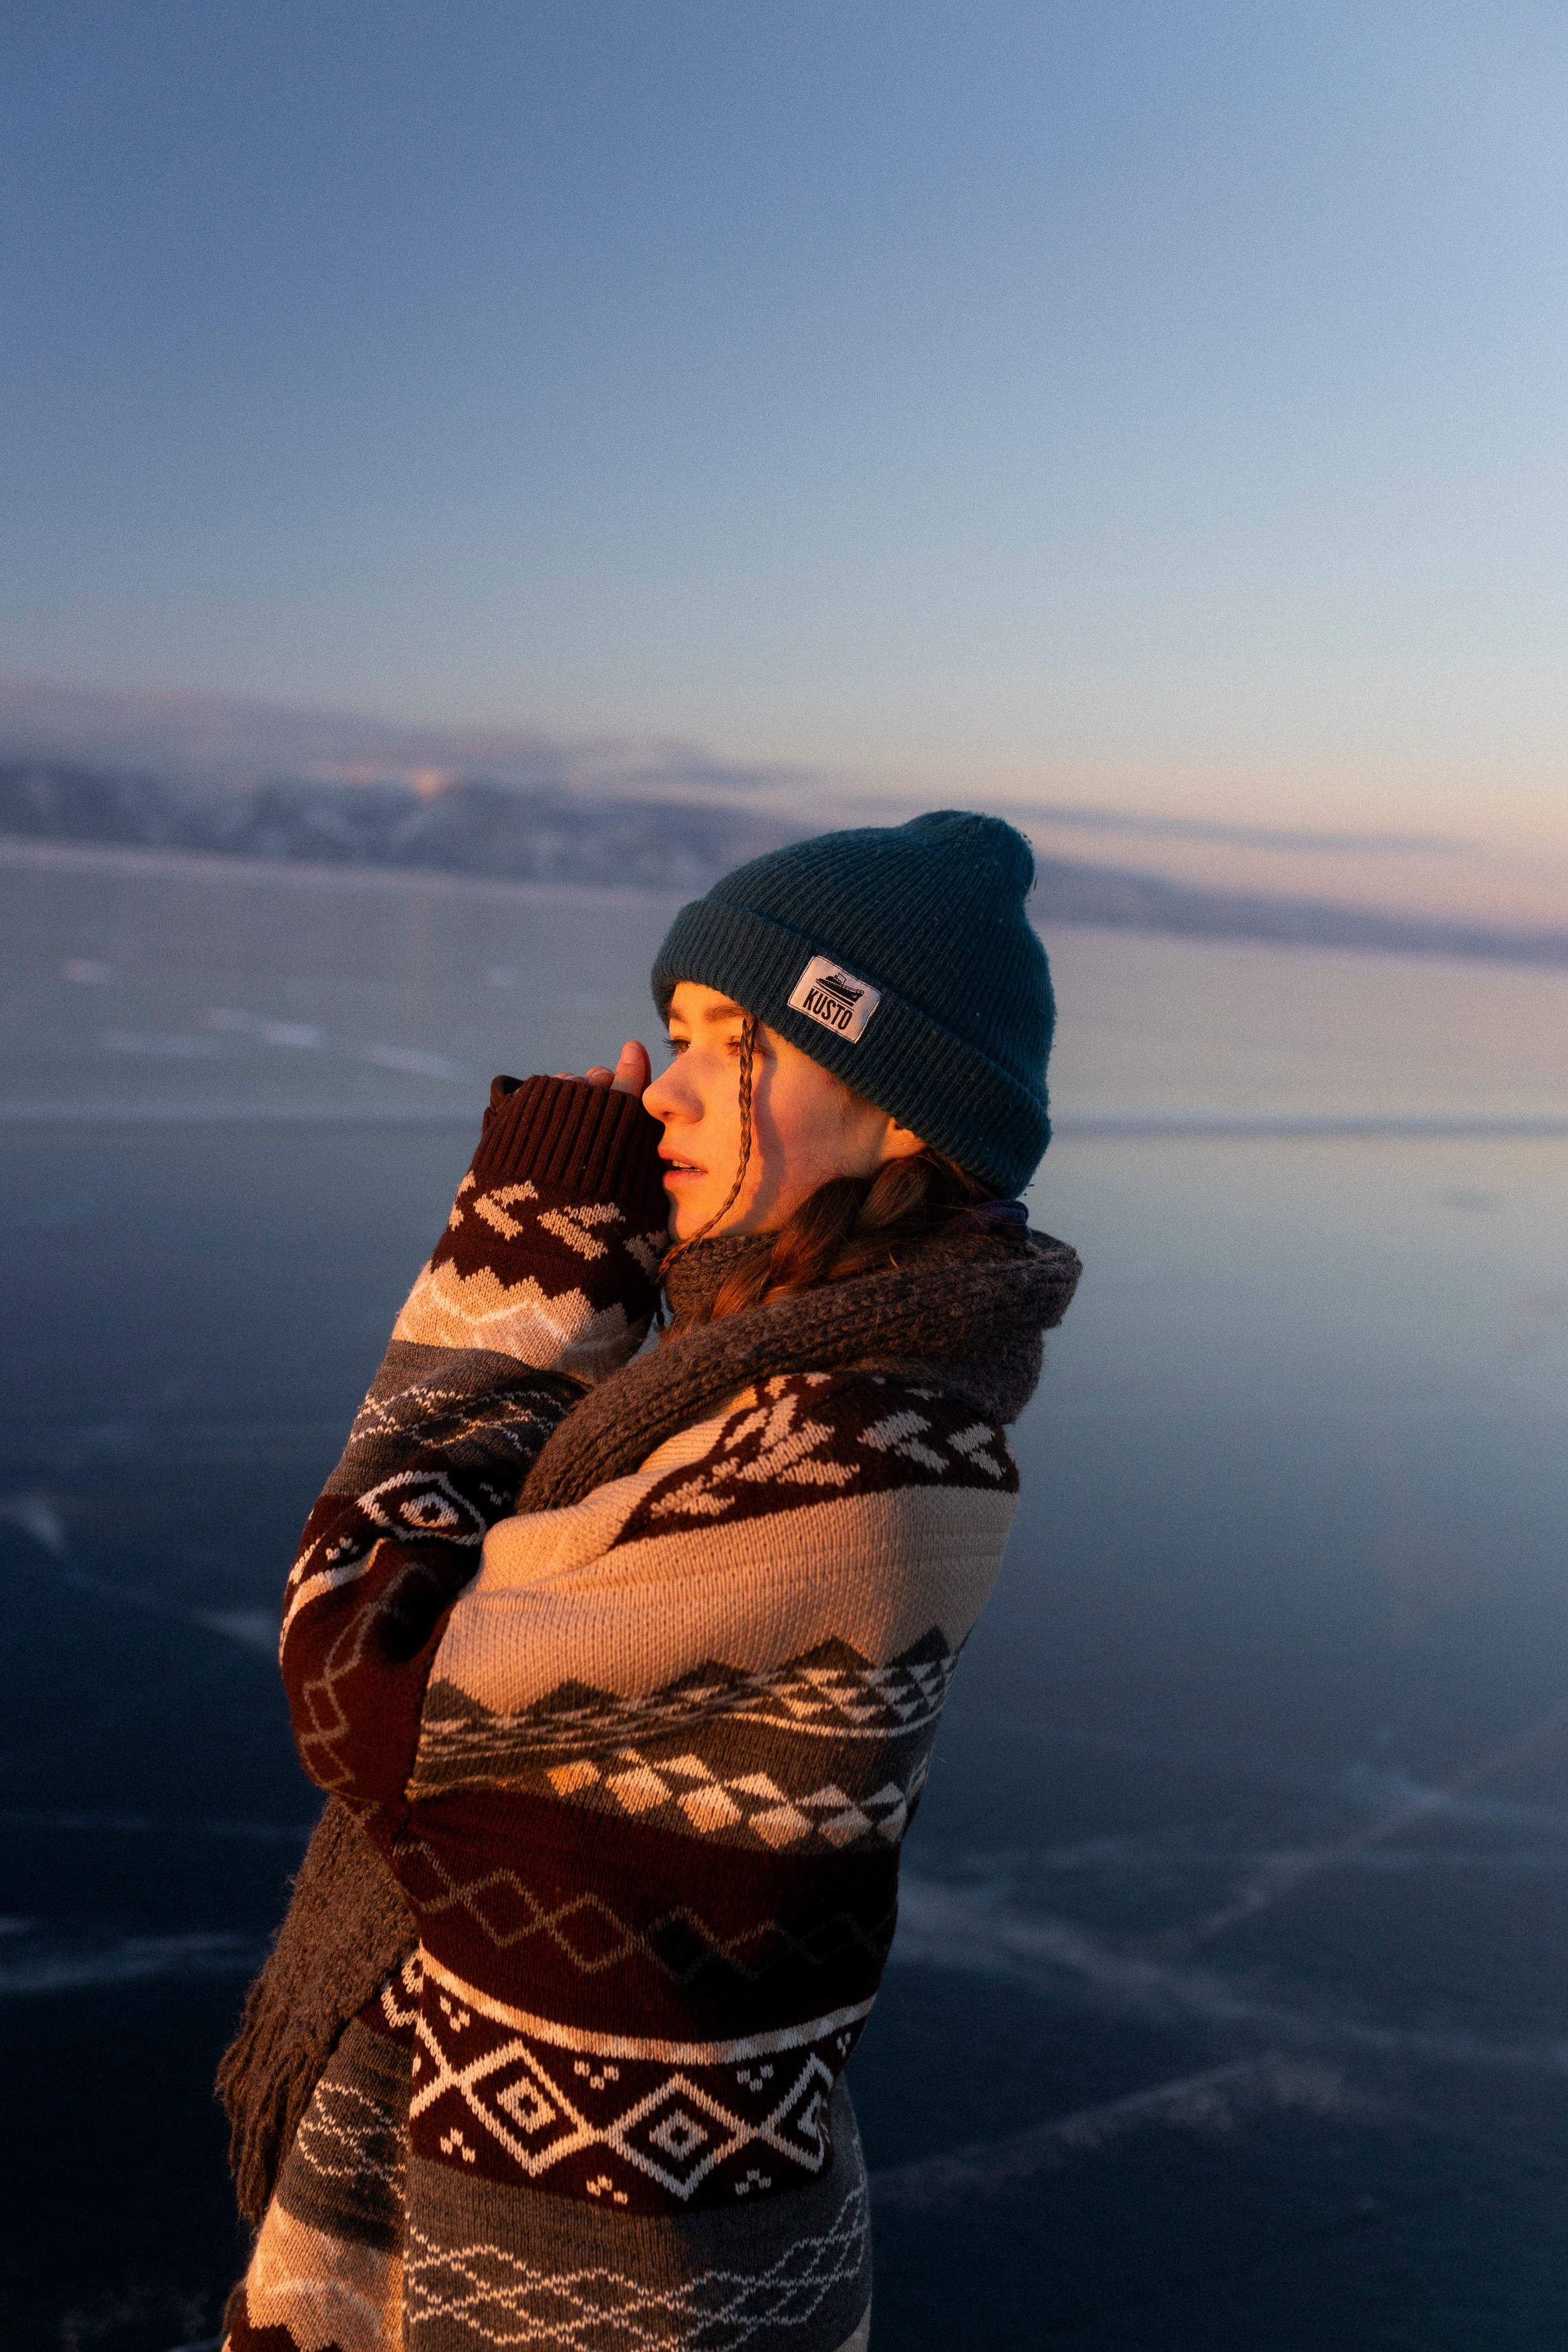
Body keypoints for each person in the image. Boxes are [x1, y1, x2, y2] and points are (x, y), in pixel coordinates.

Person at [218, 810, 1081, 2352]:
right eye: (676, 1031)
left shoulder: (844, 1459)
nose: (666, 1086)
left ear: (895, 1114)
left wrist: (520, 1264)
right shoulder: (766, 1402)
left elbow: (364, 1682)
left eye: (730, 1041)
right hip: (554, 2236)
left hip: (593, 2289)